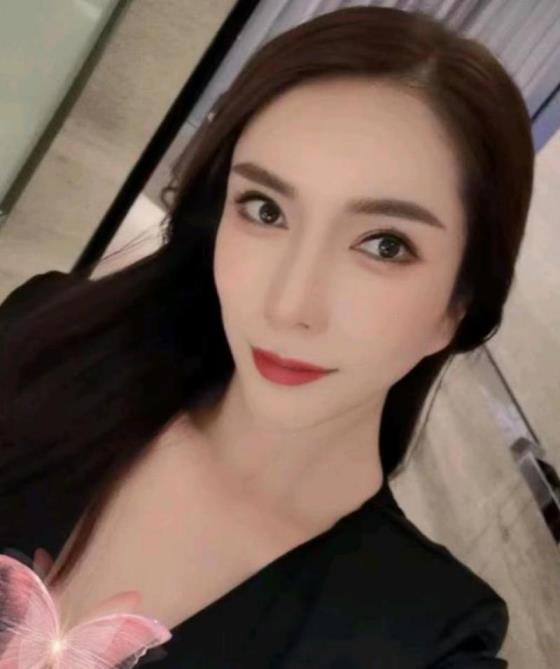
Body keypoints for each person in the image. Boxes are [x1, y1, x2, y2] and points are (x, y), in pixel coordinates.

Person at [0, 5, 534, 667]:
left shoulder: (425, 639)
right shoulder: (38, 343)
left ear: (459, 303)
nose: (289, 305)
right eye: (265, 209)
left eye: (385, 244)